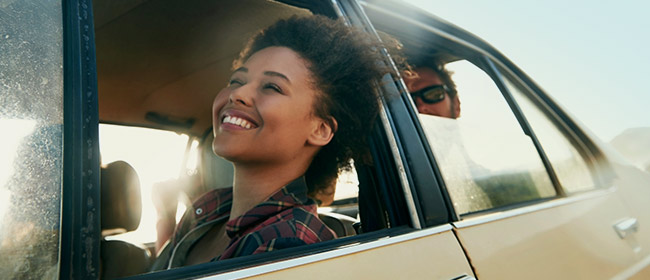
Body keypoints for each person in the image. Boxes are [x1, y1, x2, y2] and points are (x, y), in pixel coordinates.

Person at [151, 15, 386, 270]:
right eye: (236, 81)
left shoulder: (291, 246)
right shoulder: (207, 208)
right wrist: (165, 217)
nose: (238, 94)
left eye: (272, 87)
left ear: (320, 129)